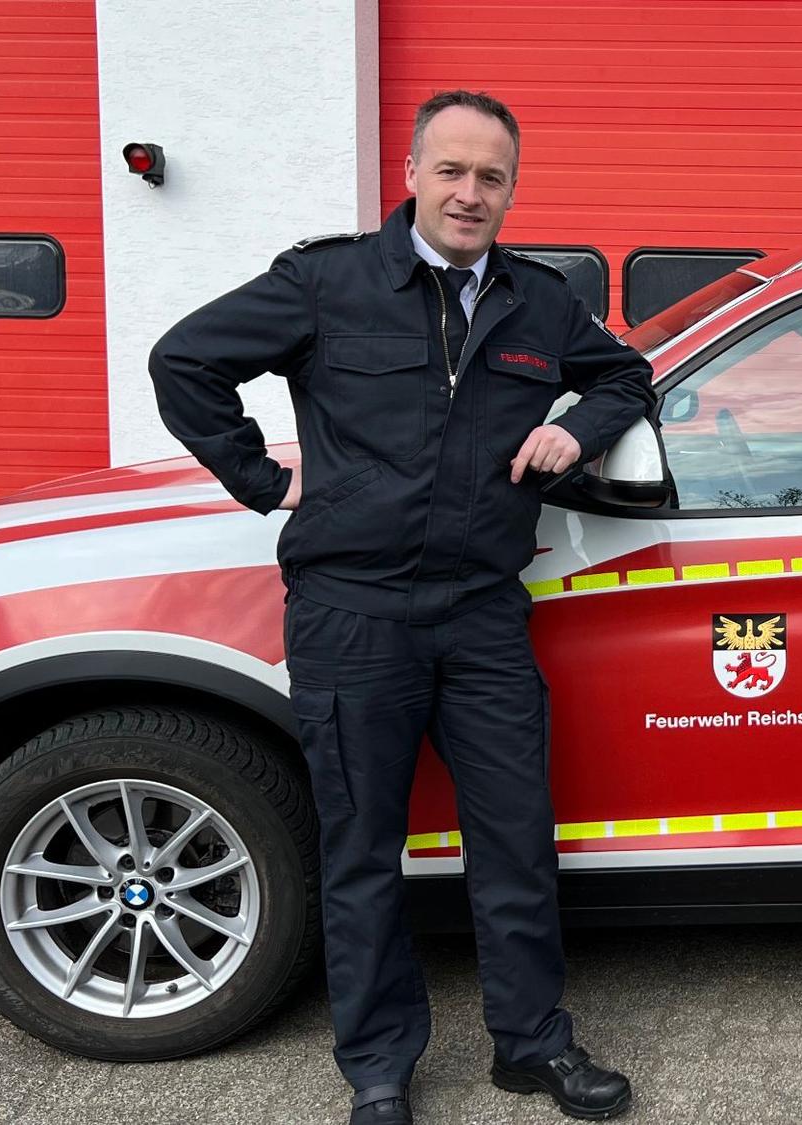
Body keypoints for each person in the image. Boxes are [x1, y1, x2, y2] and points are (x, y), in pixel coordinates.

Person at [148, 89, 653, 1125]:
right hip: (352, 612)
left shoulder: (539, 299)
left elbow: (627, 374)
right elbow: (185, 361)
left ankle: (531, 1046)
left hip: (480, 615)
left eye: (492, 177)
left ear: (512, 190)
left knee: (513, 839)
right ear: (414, 174)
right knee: (363, 852)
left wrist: (579, 429)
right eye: (453, 171)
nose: (470, 194)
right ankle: (378, 1069)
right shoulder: (325, 282)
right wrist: (259, 477)